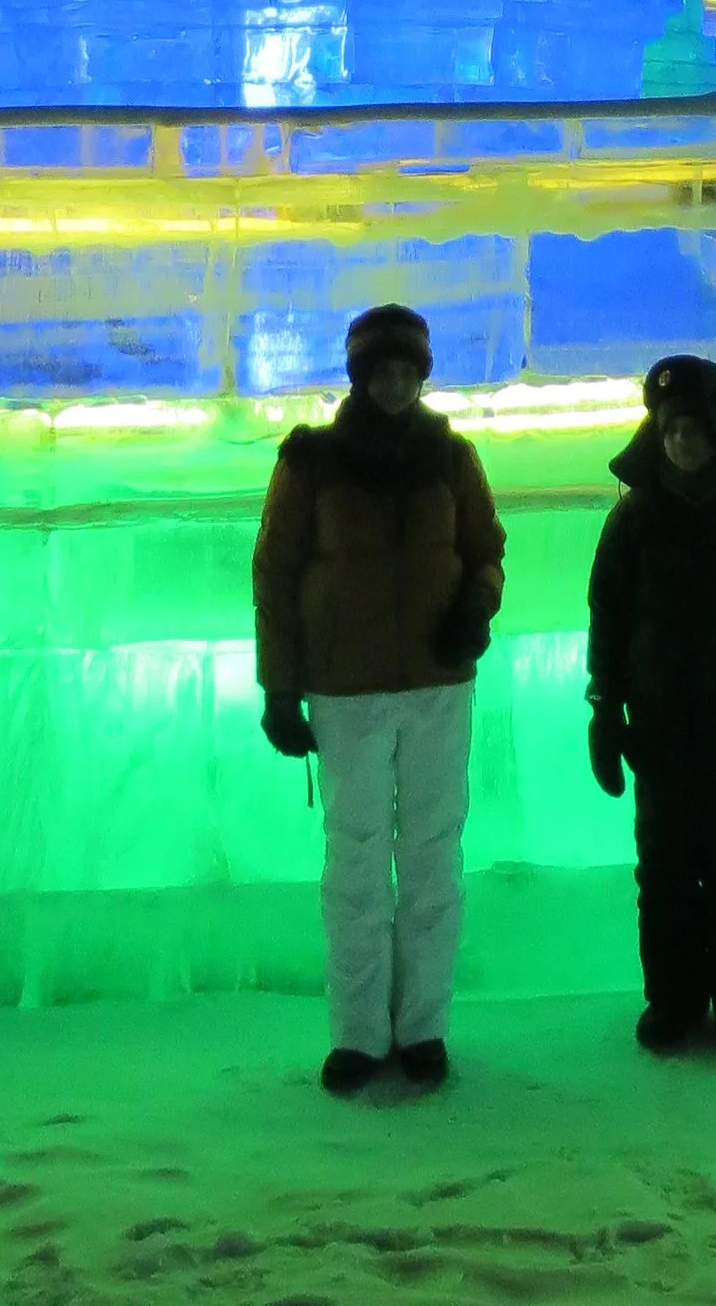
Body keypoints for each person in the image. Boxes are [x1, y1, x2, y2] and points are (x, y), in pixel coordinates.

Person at [251, 303, 506, 1096]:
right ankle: (359, 1033)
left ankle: (422, 1025)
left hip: (437, 684)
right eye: (380, 370)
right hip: (346, 689)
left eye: (406, 370)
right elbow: (275, 574)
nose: (393, 383)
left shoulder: (451, 459)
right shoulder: (312, 463)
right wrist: (281, 688)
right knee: (356, 860)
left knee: (433, 855)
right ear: (358, 376)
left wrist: (477, 605)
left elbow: (486, 550)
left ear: (421, 376)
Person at [585, 352, 716, 1063]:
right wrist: (603, 711)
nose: (683, 441)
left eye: (696, 429)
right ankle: (673, 999)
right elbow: (607, 621)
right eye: (672, 428)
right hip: (653, 724)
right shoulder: (631, 523)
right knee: (665, 867)